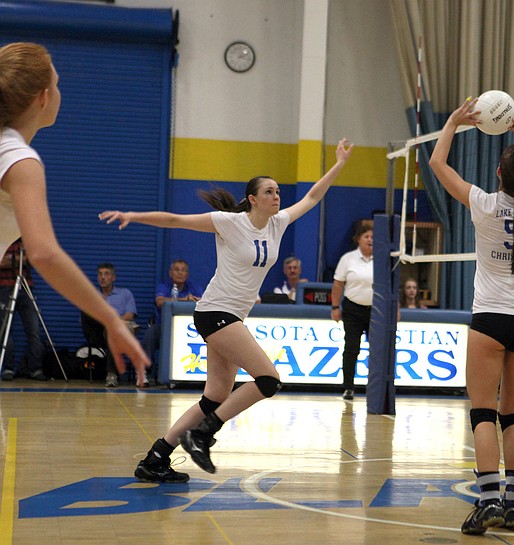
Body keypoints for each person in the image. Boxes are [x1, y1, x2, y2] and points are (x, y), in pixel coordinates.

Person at [101, 138, 353, 483]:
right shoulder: (229, 222)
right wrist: (133, 216)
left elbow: (312, 196)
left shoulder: (278, 222)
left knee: (216, 395)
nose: (276, 197)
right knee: (268, 379)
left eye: (278, 192)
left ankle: (155, 458)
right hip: (215, 311)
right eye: (269, 192)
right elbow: (175, 220)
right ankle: (203, 435)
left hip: (231, 315)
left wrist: (338, 164)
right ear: (252, 199)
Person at [430, 98, 514, 535]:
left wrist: (453, 122)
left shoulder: (484, 204)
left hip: (490, 319)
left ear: (498, 175)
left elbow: (437, 161)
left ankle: (488, 501)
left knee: (483, 414)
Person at [0, 42, 147, 381]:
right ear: (42, 97)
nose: (60, 92)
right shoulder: (20, 159)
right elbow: (44, 254)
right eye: (58, 84)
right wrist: (111, 319)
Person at [141, 259, 203, 385]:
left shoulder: (194, 287)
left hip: (187, 330)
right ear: (170, 273)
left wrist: (196, 300)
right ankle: (144, 372)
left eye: (183, 270)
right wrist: (183, 300)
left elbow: (204, 302)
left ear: (187, 274)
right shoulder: (164, 286)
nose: (180, 273)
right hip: (164, 328)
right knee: (151, 333)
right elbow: (160, 302)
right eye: (177, 270)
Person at [330, 223, 374, 400]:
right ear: (358, 239)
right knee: (351, 348)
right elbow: (338, 284)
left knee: (379, 351)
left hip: (376, 312)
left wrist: (396, 309)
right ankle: (348, 387)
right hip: (353, 309)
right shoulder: (348, 259)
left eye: (372, 237)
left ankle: (376, 388)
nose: (370, 240)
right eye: (366, 237)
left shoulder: (383, 259)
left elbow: (392, 287)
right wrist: (335, 307)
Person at [81, 262, 138, 387]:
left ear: (113, 277)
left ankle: (111, 374)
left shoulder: (125, 293)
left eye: (106, 274)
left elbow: (130, 315)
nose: (103, 277)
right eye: (100, 274)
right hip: (97, 332)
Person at [0, 239, 47, 381]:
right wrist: (20, 260)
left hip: (26, 287)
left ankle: (35, 369)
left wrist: (11, 260)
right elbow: (1, 263)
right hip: (4, 286)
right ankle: (7, 369)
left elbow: (34, 260)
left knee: (33, 329)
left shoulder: (27, 239)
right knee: (5, 329)